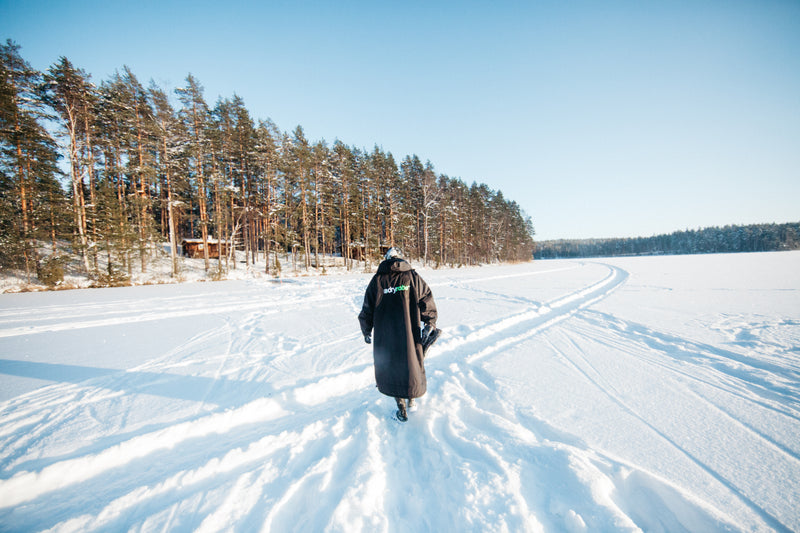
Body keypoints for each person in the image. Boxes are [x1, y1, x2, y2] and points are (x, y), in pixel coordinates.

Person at [358, 247, 438, 422]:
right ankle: (411, 401)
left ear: (386, 259)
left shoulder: (378, 280)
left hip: (386, 335)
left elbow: (367, 308)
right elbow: (427, 298)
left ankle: (400, 404)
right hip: (409, 332)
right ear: (401, 259)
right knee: (411, 363)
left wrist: (366, 330)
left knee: (391, 367)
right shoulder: (412, 277)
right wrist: (430, 322)